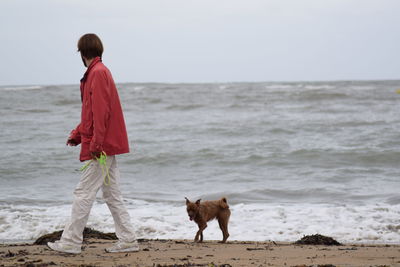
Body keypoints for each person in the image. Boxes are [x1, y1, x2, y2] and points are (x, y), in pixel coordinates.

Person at [47, 33, 139, 254]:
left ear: (81, 52)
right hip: (104, 144)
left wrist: (96, 144)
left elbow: (101, 112)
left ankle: (70, 242)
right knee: (111, 194)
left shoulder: (97, 74)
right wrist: (78, 134)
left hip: (101, 147)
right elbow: (92, 112)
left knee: (83, 193)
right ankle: (127, 240)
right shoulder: (97, 72)